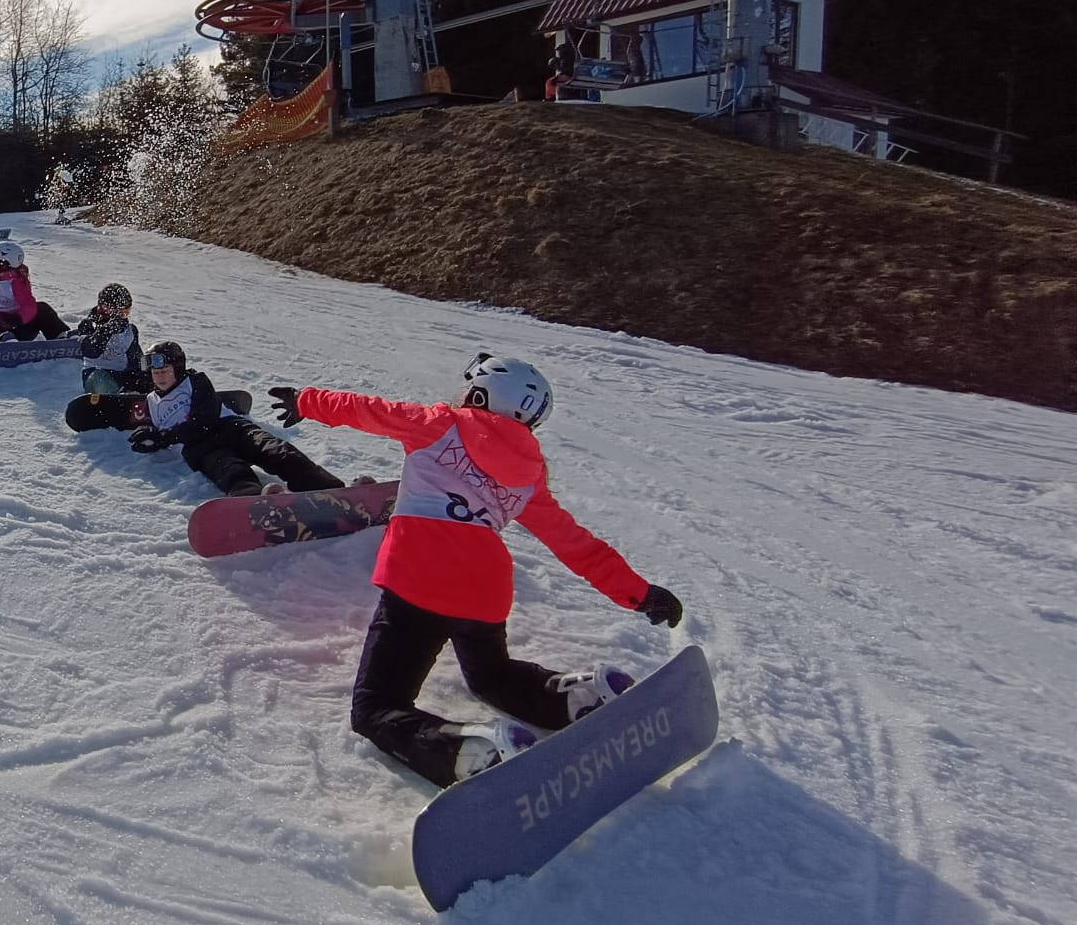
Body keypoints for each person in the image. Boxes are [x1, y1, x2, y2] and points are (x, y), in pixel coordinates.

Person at [266, 354, 686, 787]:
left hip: (419, 576)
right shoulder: (529, 476)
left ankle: (468, 751)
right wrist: (639, 593)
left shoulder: (440, 424)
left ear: (482, 395)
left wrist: (307, 401)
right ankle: (584, 696)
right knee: (492, 677)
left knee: (376, 706)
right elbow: (575, 544)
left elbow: (368, 409)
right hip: (485, 590)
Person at [129, 340, 340, 498]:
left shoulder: (195, 381)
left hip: (230, 427)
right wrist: (149, 438)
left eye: (165, 370)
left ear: (177, 368)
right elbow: (154, 429)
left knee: (275, 450)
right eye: (155, 372)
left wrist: (166, 436)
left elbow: (205, 417)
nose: (160, 376)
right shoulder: (151, 401)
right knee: (228, 469)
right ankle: (252, 501)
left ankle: (331, 490)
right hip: (200, 447)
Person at [0, 240, 66, 341]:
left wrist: (19, 319)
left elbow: (28, 304)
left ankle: (61, 336)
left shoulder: (16, 282)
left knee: (42, 308)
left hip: (18, 326)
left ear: (5, 264)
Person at [70, 283, 142, 395]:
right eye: (120, 312)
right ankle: (112, 399)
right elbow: (92, 351)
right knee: (99, 378)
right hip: (95, 374)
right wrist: (106, 330)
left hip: (122, 375)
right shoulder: (89, 325)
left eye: (126, 312)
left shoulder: (130, 330)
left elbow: (136, 360)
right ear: (104, 307)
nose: (123, 316)